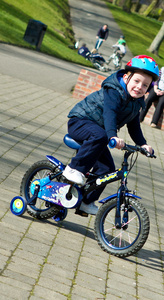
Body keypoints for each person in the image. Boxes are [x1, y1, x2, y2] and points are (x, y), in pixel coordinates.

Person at [63, 55, 158, 215]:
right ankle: (73, 169)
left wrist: (143, 144)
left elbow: (134, 126)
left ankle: (86, 201)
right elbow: (110, 114)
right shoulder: (114, 92)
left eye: (145, 85)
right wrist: (112, 136)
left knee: (107, 168)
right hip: (80, 121)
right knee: (100, 135)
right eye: (136, 81)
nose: (139, 87)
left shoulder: (136, 102)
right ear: (127, 78)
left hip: (98, 134)